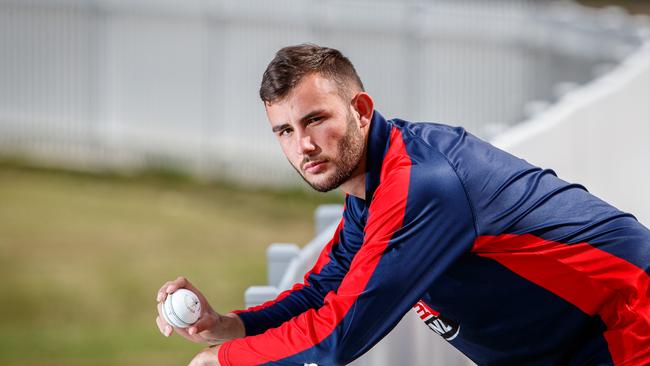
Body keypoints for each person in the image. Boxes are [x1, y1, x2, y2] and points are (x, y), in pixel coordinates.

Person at [155, 44, 650, 366]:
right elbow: (323, 291)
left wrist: (223, 361)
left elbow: (340, 333)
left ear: (361, 110)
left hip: (626, 323)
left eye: (315, 120)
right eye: (285, 130)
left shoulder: (422, 186)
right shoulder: (372, 189)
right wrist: (232, 326)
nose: (302, 145)